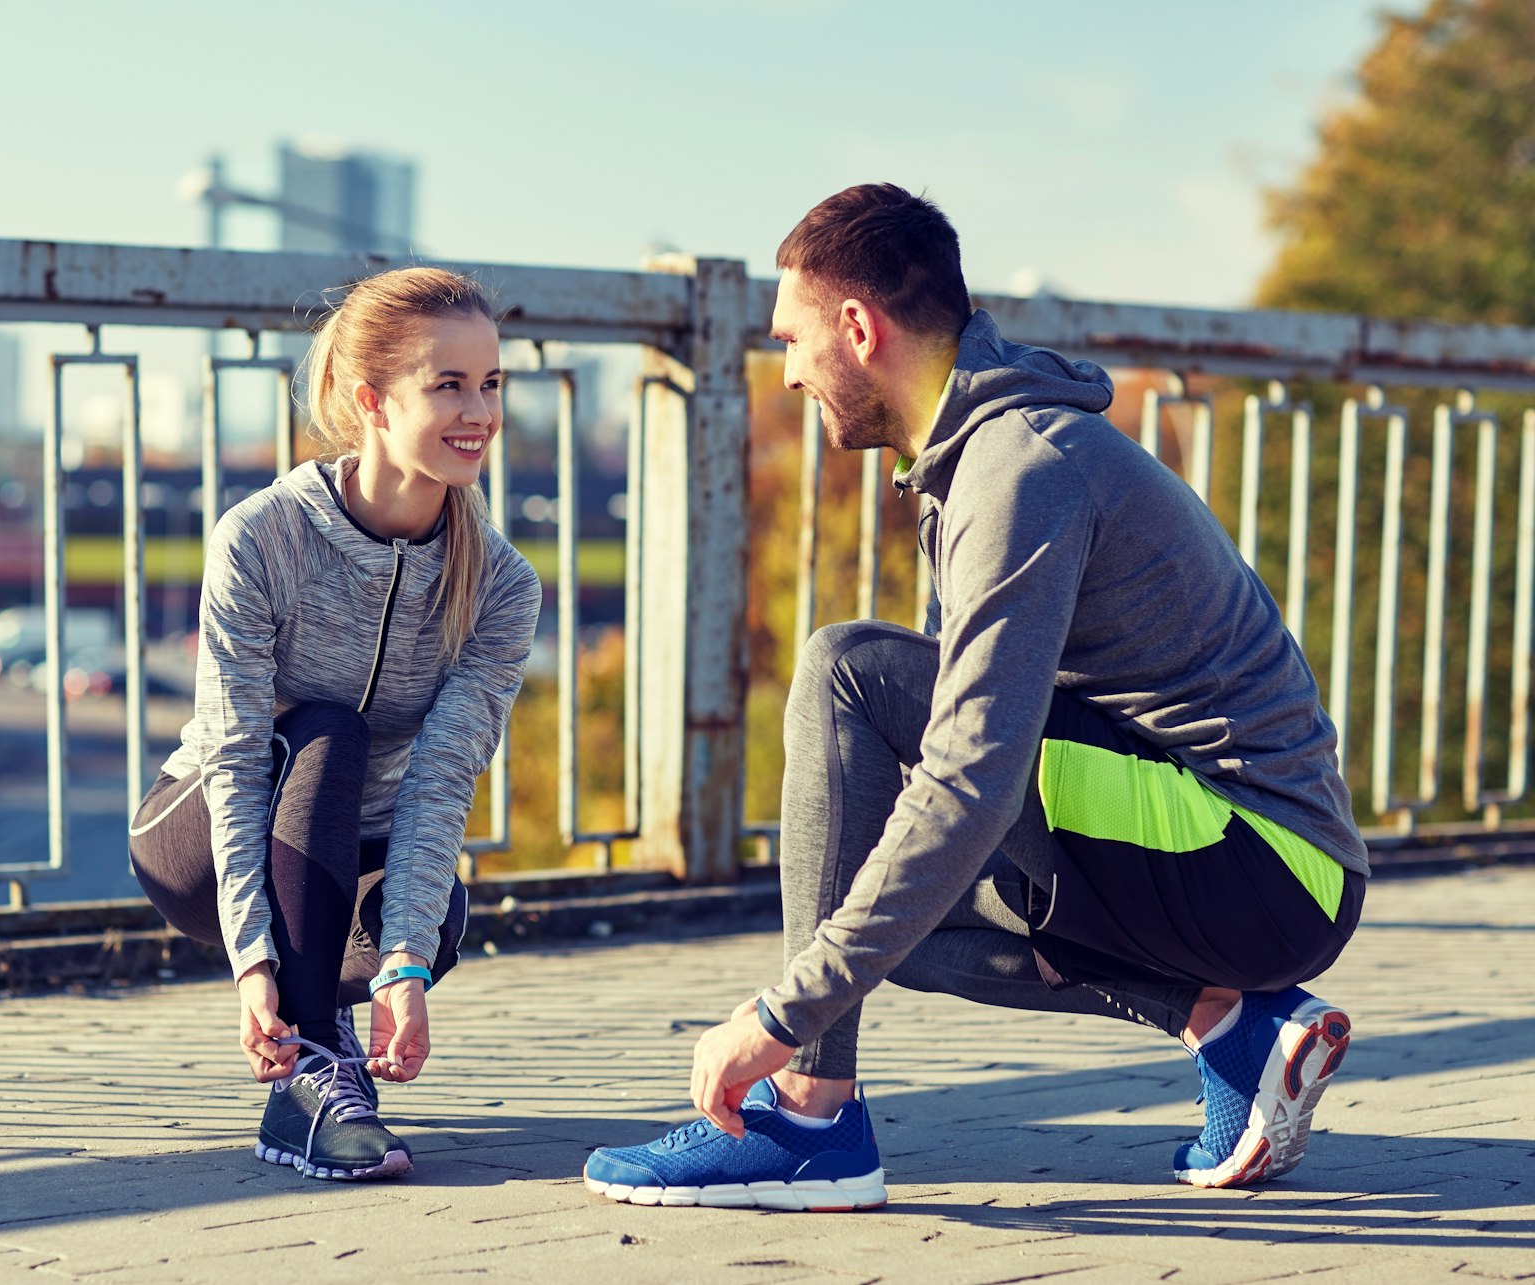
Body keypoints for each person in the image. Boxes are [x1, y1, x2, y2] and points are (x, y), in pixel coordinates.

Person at [584, 184, 1367, 1211]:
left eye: (789, 339)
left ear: (856, 328)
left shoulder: (1019, 466)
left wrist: (778, 1016)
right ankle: (1231, 1026)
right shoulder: (979, 458)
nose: (783, 373)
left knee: (845, 670)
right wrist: (828, 963)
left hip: (1260, 857)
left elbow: (970, 775)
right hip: (1240, 869)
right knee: (876, 919)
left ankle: (807, 1114)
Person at [130, 266, 541, 1181]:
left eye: (491, 383)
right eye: (448, 384)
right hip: (199, 842)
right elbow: (235, 757)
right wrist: (250, 961)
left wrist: (400, 965)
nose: (479, 410)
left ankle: (326, 1042)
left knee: (433, 924)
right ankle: (311, 1072)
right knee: (327, 729)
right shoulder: (262, 537)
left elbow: (441, 781)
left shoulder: (503, 586)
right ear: (372, 402)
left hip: (349, 843)